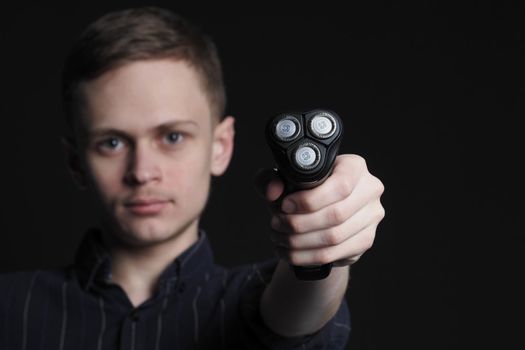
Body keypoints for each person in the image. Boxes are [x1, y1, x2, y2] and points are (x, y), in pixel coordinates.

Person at [0, 6, 385, 350]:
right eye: (112, 142)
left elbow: (295, 315)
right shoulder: (10, 306)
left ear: (220, 145)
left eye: (172, 137)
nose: (142, 172)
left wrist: (325, 242)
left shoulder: (254, 300)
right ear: (76, 162)